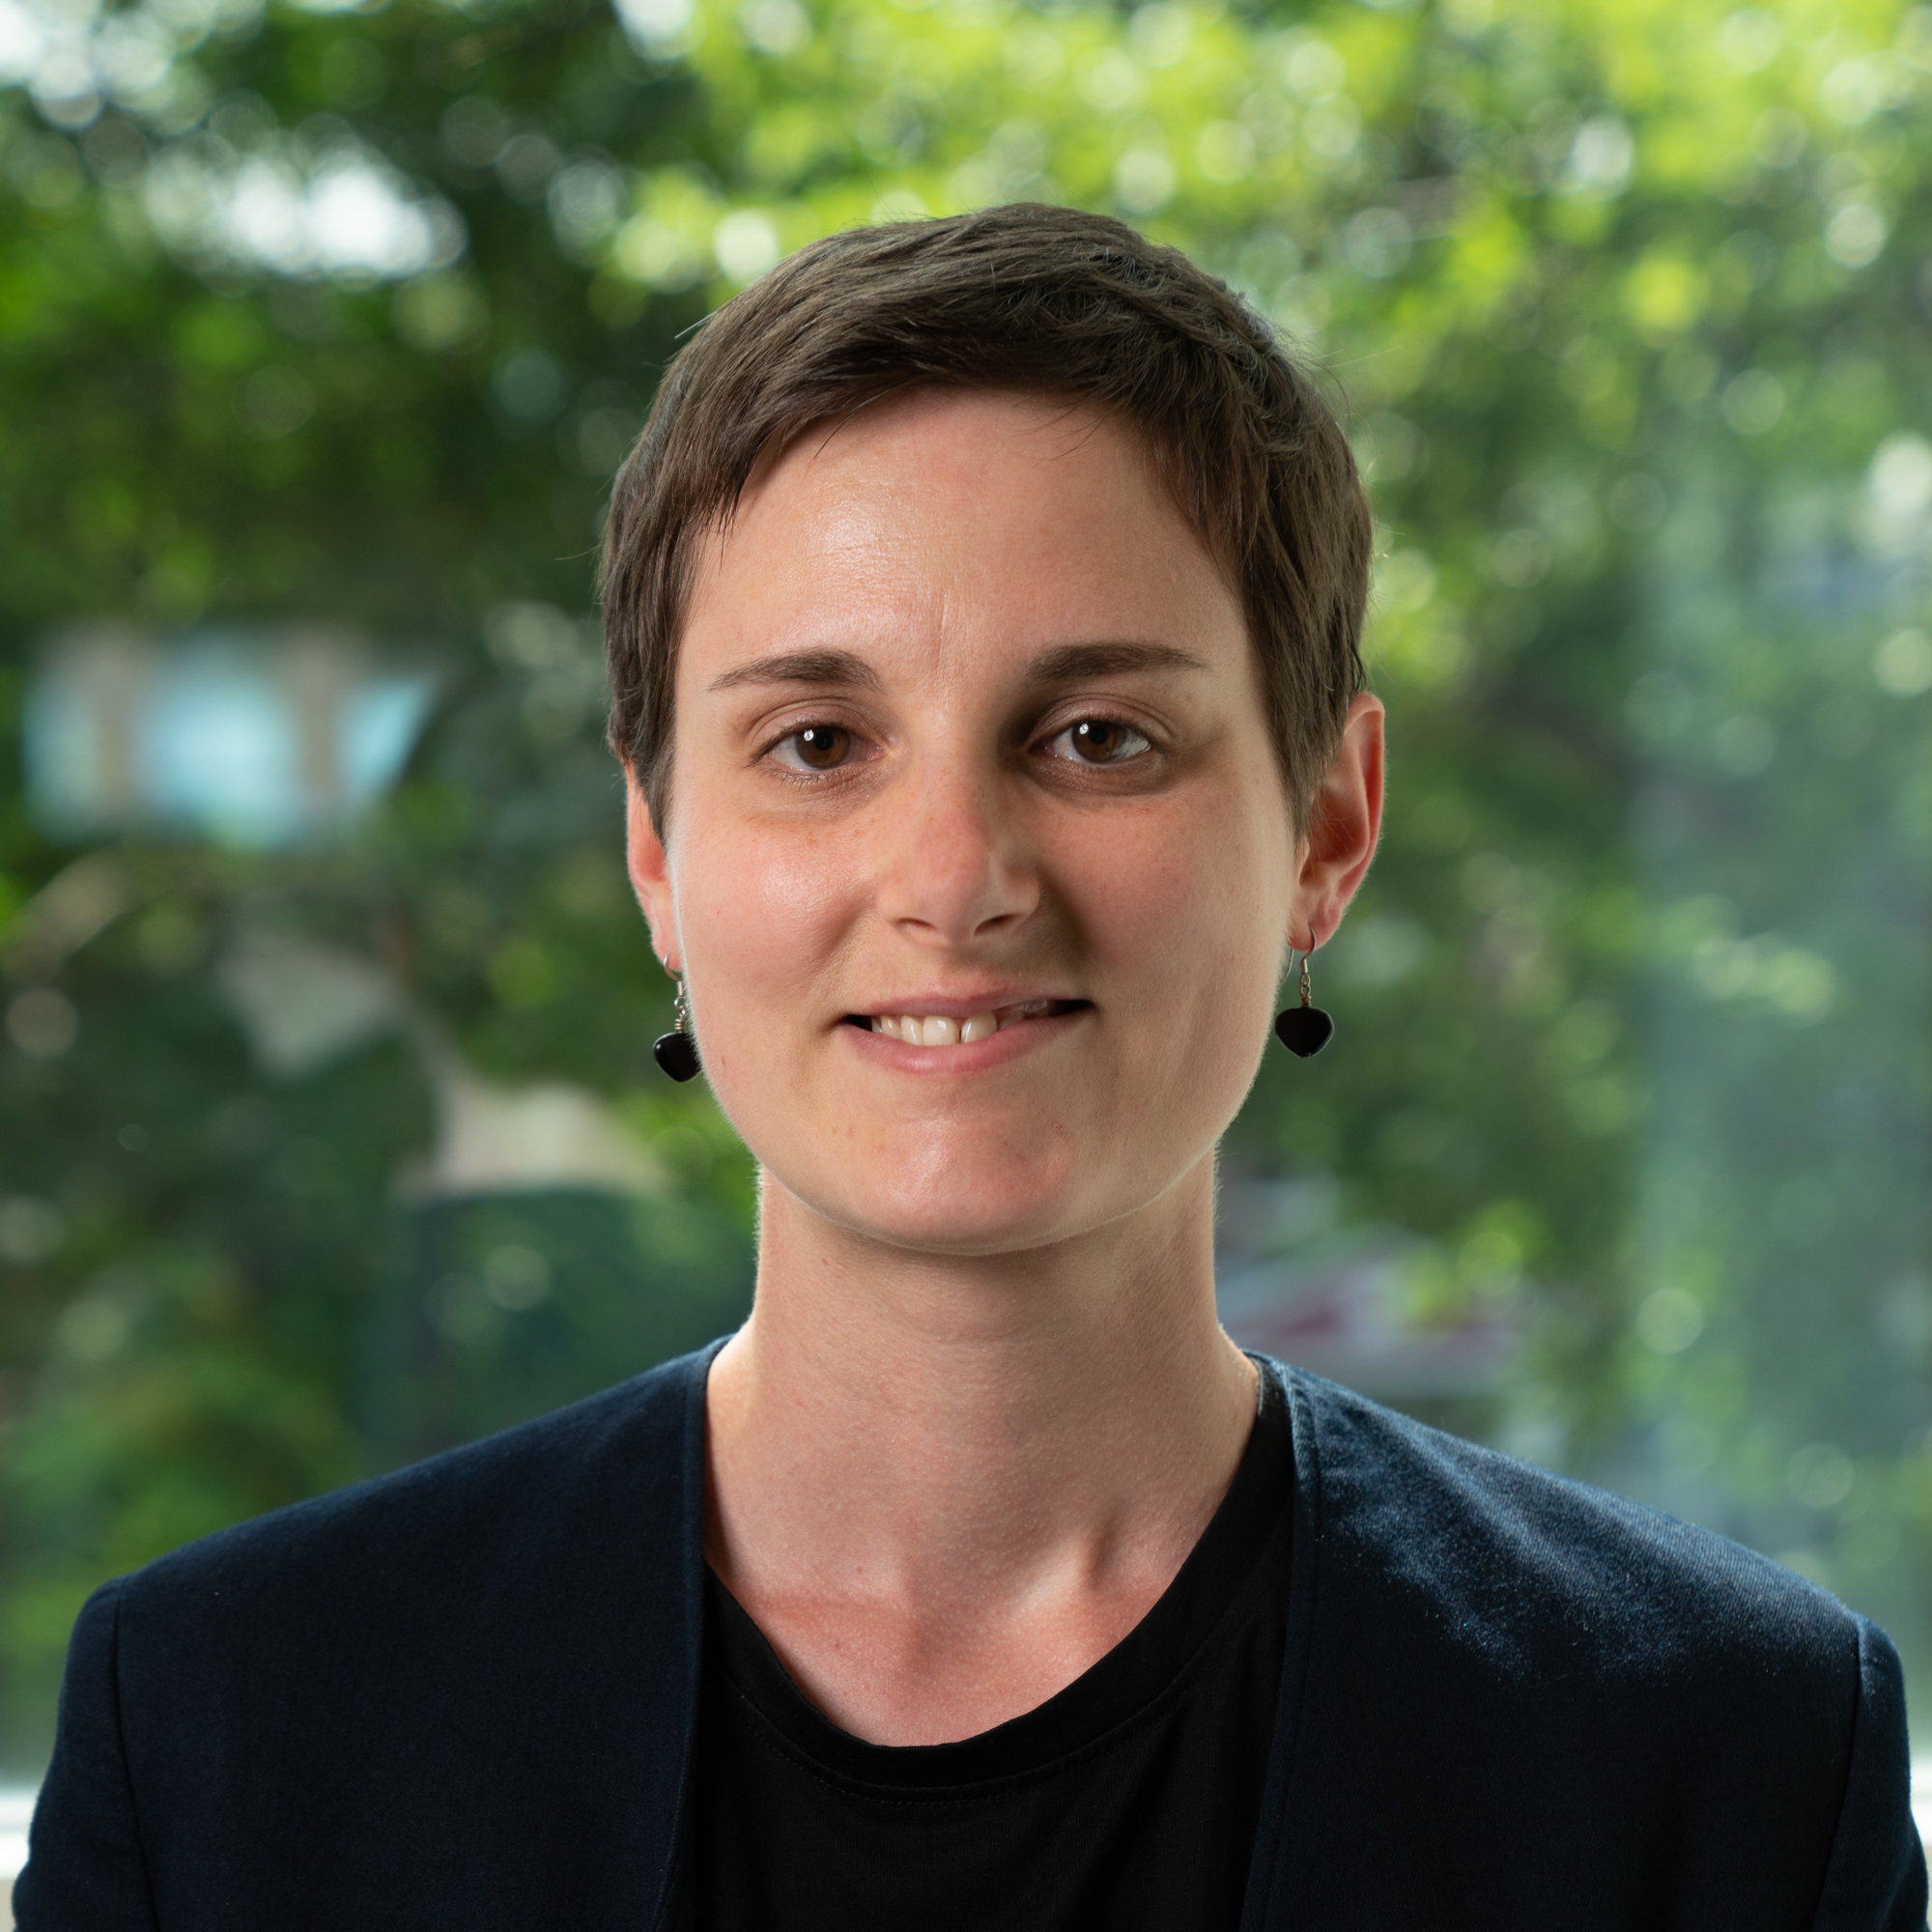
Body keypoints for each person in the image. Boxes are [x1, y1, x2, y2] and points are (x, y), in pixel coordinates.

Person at [16, 205, 1925, 1930]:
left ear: (1329, 828)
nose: (955, 879)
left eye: (1098, 734)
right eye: (819, 742)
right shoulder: (224, 1739)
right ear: (658, 850)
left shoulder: (1726, 1763)